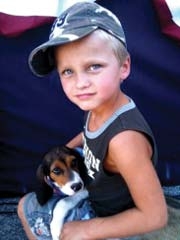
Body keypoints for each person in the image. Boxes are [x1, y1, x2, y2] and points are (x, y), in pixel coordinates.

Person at [18, 2, 168, 239]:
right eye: (68, 71)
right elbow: (89, 136)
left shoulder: (125, 141)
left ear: (124, 66)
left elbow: (155, 216)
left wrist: (87, 230)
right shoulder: (99, 104)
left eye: (94, 66)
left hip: (117, 220)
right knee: (26, 204)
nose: (81, 83)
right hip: (93, 194)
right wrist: (64, 151)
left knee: (44, 220)